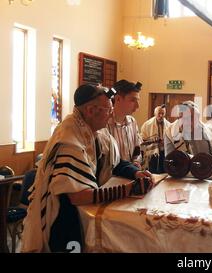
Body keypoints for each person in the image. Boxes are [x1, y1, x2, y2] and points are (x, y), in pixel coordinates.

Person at [21, 84, 153, 253]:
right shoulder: (69, 139)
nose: (111, 114)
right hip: (65, 220)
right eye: (108, 109)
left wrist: (135, 172)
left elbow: (115, 162)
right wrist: (128, 189)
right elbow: (78, 196)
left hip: (84, 213)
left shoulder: (98, 132)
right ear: (91, 110)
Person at [106, 79, 143, 167]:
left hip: (131, 175)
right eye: (133, 100)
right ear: (118, 99)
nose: (137, 106)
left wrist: (136, 161)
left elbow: (137, 149)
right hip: (110, 178)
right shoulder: (104, 124)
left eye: (138, 100)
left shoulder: (132, 122)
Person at [140, 104, 171, 173]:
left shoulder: (169, 125)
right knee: (153, 173)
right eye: (159, 113)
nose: (161, 115)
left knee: (165, 173)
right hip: (152, 154)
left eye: (163, 113)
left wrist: (165, 141)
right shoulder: (147, 125)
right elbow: (141, 141)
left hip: (164, 153)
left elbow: (172, 140)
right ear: (154, 114)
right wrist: (151, 140)